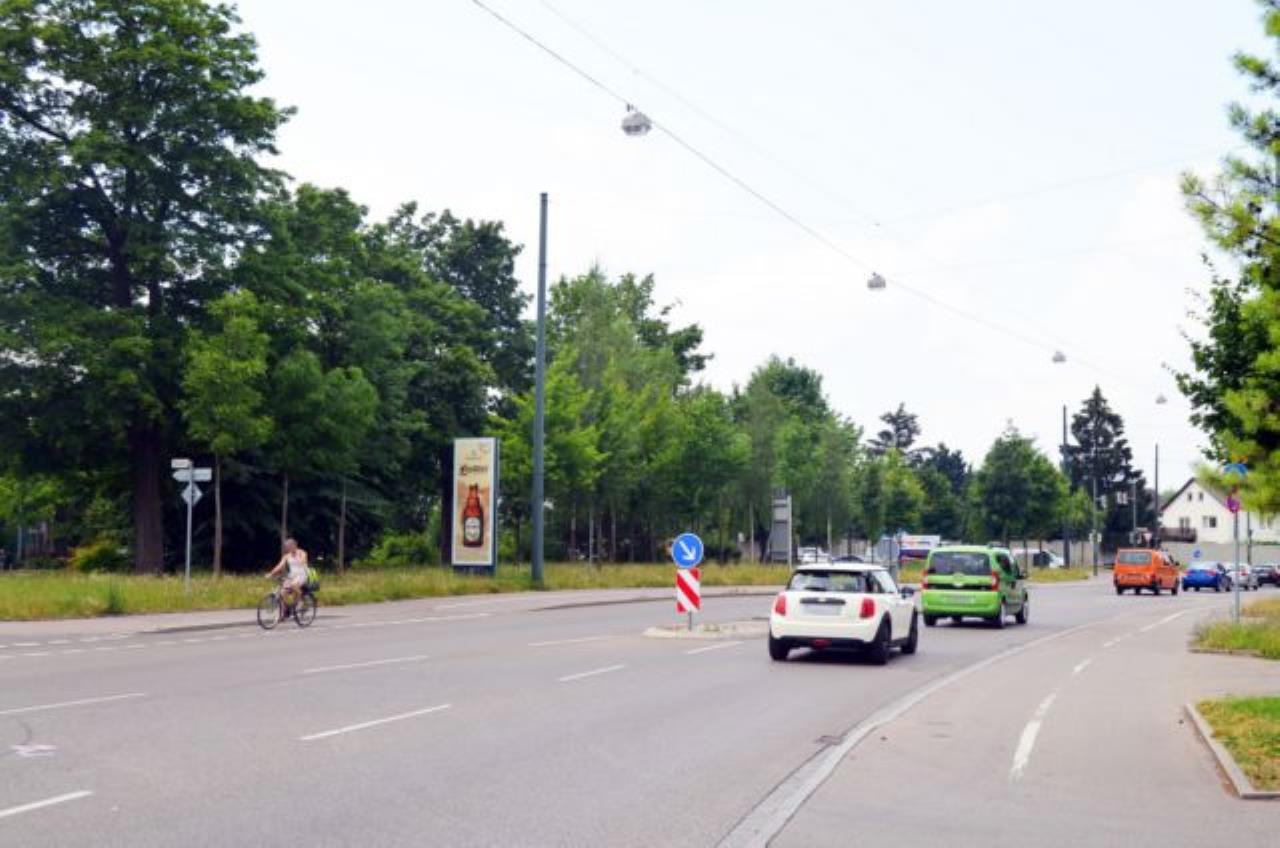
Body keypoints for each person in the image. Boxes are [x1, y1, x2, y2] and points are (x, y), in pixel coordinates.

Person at [267, 538, 309, 616]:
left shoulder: (302, 553)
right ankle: (285, 610)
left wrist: (297, 557)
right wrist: (271, 573)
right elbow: (280, 566)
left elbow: (303, 561)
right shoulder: (287, 556)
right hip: (292, 576)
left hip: (302, 575)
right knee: (282, 592)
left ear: (295, 545)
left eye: (290, 546)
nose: (288, 548)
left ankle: (302, 601)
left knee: (293, 585)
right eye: (287, 547)